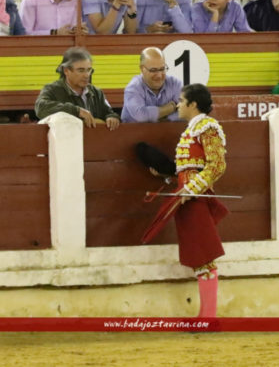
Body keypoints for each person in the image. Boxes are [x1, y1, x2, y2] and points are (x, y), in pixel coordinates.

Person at [141, 84, 228, 317]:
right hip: (186, 198)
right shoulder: (193, 129)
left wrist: (191, 189)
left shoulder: (207, 127)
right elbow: (191, 168)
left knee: (204, 257)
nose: (177, 105)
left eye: (181, 100)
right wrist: (170, 178)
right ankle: (206, 317)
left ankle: (208, 318)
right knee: (200, 259)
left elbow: (217, 165)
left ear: (193, 104)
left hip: (194, 199)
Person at [35, 47, 120, 129]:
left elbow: (109, 113)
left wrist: (112, 118)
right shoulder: (52, 90)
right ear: (66, 71)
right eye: (81, 70)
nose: (87, 75)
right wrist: (77, 111)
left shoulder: (96, 92)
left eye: (89, 70)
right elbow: (41, 108)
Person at [121, 47, 182, 122]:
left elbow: (185, 112)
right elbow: (141, 116)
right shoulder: (133, 88)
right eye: (153, 70)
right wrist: (171, 108)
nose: (159, 75)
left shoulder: (175, 83)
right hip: (135, 133)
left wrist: (160, 119)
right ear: (142, 69)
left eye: (162, 69)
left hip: (168, 132)